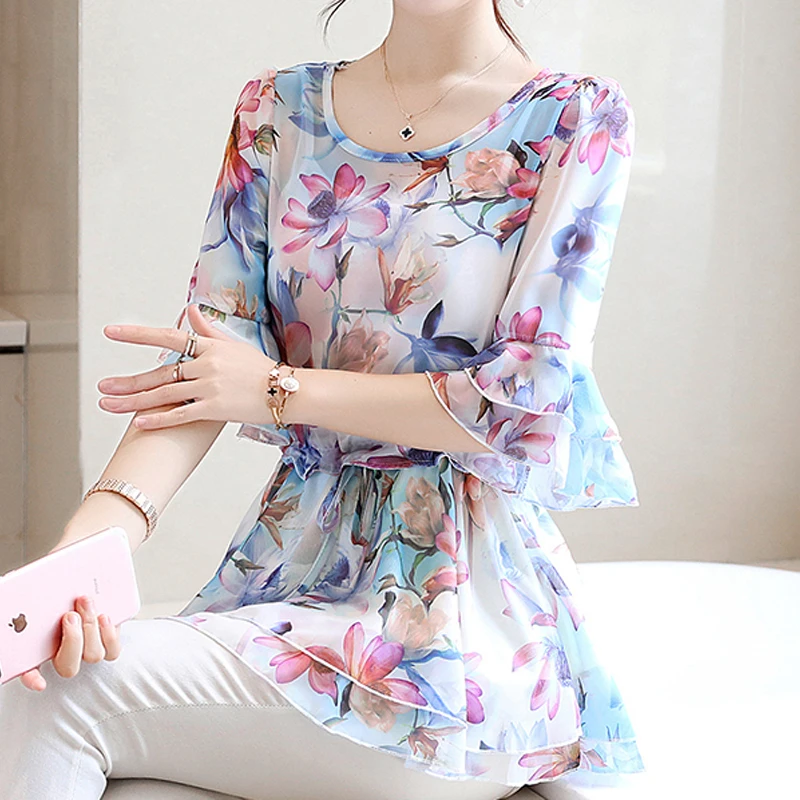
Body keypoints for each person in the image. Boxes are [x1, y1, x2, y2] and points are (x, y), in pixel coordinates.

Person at [0, 0, 646, 797]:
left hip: (455, 630)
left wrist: (280, 390)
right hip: (294, 577)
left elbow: (520, 398)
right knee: (39, 672)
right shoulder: (276, 109)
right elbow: (208, 367)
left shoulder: (574, 117)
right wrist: (84, 554)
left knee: (63, 702)